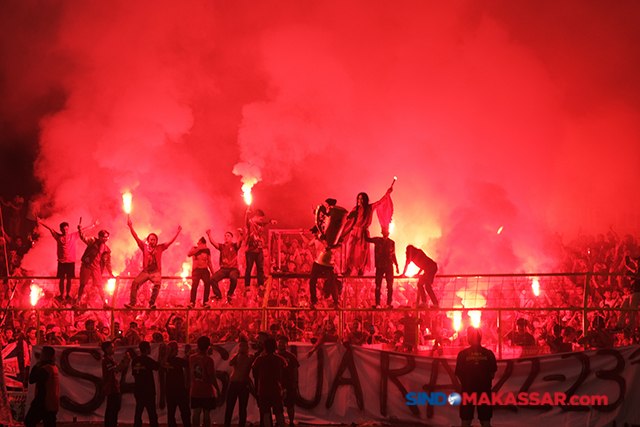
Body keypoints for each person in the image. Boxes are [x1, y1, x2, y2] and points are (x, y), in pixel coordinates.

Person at [125, 218, 182, 309]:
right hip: (146, 271)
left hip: (156, 272)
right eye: (151, 239)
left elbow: (170, 242)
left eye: (154, 240)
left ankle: (151, 303)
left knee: (157, 285)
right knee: (135, 283)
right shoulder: (144, 246)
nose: (152, 241)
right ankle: (132, 303)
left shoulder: (160, 247)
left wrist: (177, 233)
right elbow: (136, 237)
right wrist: (131, 227)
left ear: (156, 241)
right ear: (148, 240)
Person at [39, 218, 97, 304]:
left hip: (70, 262)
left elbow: (82, 230)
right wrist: (41, 222)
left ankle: (68, 295)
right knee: (61, 279)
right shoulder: (58, 237)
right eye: (63, 229)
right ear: (61, 230)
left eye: (66, 229)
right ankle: (61, 295)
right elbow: (50, 228)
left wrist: (93, 225)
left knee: (69, 279)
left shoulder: (73, 236)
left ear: (68, 229)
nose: (65, 231)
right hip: (61, 262)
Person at [344, 186, 393, 276]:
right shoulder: (355, 209)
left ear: (365, 200)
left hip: (363, 233)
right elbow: (348, 220)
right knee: (351, 251)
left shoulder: (370, 208)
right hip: (354, 233)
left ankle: (360, 269)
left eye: (362, 199)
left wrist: (387, 194)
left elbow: (379, 202)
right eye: (359, 199)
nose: (360, 200)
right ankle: (349, 269)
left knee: (362, 252)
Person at [455, 327, 497, 427]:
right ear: (480, 338)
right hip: (484, 391)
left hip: (468, 391)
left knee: (466, 421)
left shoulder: (462, 355)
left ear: (469, 338)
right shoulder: (488, 354)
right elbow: (492, 374)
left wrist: (467, 383)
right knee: (485, 421)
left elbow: (459, 374)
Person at [252, 337, 288, 427]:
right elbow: (285, 371)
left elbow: (254, 368)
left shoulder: (260, 359)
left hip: (263, 391)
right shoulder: (280, 359)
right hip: (276, 390)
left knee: (266, 414)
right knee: (279, 413)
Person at [24, 346, 59, 427]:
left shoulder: (45, 369)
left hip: (44, 402)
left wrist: (36, 366)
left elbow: (32, 379)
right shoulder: (53, 368)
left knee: (29, 422)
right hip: (52, 403)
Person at [77, 228, 113, 308]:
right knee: (82, 284)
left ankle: (104, 303)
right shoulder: (93, 241)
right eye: (104, 237)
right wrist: (80, 231)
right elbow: (84, 238)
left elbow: (108, 262)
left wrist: (110, 272)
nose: (105, 239)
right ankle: (77, 303)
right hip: (87, 266)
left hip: (96, 268)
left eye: (107, 237)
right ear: (99, 237)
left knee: (99, 286)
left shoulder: (107, 249)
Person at [223, 337, 255, 427]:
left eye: (244, 346)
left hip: (244, 385)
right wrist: (238, 354)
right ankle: (227, 424)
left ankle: (241, 424)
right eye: (241, 346)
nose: (242, 348)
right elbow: (230, 363)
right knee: (230, 406)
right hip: (234, 384)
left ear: (247, 348)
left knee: (242, 407)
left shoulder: (250, 357)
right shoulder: (235, 356)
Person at [365, 227, 399, 308]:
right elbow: (367, 239)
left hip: (388, 266)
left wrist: (397, 265)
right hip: (380, 266)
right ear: (382, 232)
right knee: (378, 285)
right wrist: (364, 229)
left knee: (389, 286)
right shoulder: (377, 240)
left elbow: (393, 254)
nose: (385, 233)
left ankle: (388, 303)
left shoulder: (392, 242)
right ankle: (377, 304)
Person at [190, 336, 220, 427]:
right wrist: (217, 388)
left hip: (195, 390)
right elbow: (211, 376)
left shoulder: (191, 358)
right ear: (208, 347)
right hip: (207, 391)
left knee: (196, 412)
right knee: (207, 412)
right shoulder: (209, 360)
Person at [244, 208, 277, 290]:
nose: (261, 220)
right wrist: (247, 214)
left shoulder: (260, 224)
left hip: (259, 248)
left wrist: (270, 222)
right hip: (250, 248)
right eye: (261, 218)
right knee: (249, 267)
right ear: (257, 216)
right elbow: (246, 222)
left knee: (260, 268)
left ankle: (260, 284)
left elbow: (265, 224)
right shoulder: (250, 222)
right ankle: (247, 285)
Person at [131, 341, 161, 427]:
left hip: (138, 390)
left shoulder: (135, 360)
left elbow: (134, 374)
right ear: (147, 349)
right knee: (152, 413)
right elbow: (158, 366)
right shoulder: (148, 360)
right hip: (148, 391)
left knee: (138, 412)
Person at [207, 230, 241, 305]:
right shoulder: (222, 247)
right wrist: (209, 235)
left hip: (233, 268)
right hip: (224, 269)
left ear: (232, 238)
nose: (226, 237)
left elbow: (239, 242)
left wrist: (240, 235)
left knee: (233, 277)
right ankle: (218, 295)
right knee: (213, 278)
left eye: (228, 236)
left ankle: (230, 294)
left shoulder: (234, 246)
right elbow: (214, 243)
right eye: (225, 236)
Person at [102, 341, 131, 427]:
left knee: (111, 407)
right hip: (111, 387)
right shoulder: (107, 360)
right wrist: (123, 360)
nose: (113, 349)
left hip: (113, 386)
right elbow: (116, 369)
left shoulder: (110, 359)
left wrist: (125, 361)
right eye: (112, 347)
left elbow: (120, 369)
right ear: (107, 349)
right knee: (114, 407)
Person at [163, 341, 191, 427]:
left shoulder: (166, 361)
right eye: (176, 349)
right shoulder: (177, 361)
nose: (177, 351)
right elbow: (185, 363)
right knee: (185, 413)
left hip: (170, 391)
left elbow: (178, 362)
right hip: (180, 391)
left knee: (171, 413)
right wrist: (189, 355)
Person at [187, 237, 219, 308]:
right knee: (195, 285)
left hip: (204, 270)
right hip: (196, 270)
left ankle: (205, 302)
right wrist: (198, 248)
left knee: (207, 283)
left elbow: (209, 262)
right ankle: (192, 302)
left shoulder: (207, 250)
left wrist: (213, 273)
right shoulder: (194, 248)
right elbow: (189, 254)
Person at [277, 336, 299, 427]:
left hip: (289, 383)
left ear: (286, 344)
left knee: (290, 404)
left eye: (283, 343)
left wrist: (296, 381)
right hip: (278, 384)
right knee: (278, 405)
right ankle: (280, 422)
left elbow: (295, 369)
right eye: (279, 342)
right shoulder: (274, 355)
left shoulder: (291, 357)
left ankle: (290, 421)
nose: (281, 344)